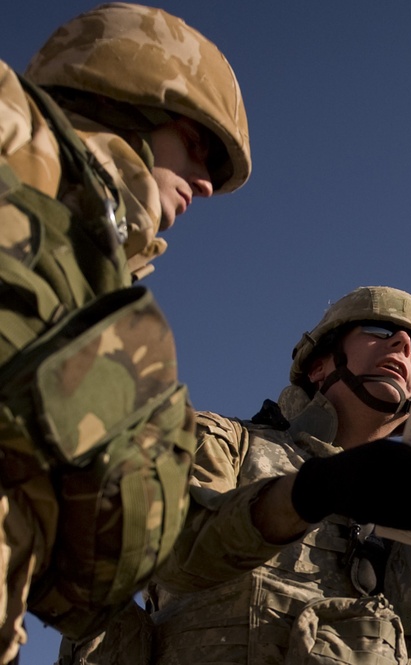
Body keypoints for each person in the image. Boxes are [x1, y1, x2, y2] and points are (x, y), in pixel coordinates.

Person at [61, 285, 411, 664]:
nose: (404, 348)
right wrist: (310, 492)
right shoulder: (222, 440)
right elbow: (171, 553)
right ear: (318, 364)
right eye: (382, 331)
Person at [0, 2, 250, 661]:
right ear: (120, 92)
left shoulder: (103, 286)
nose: (203, 184)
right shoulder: (9, 130)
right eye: (197, 146)